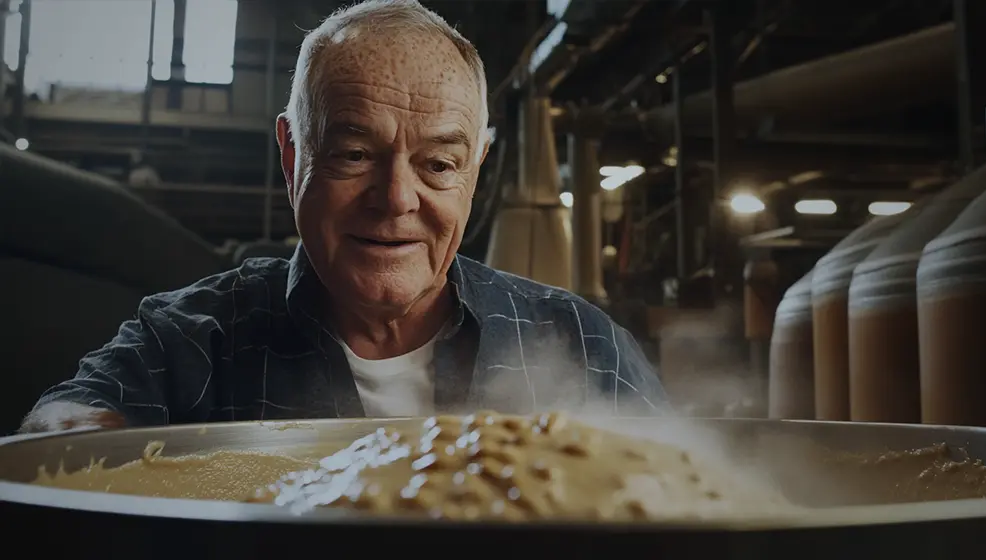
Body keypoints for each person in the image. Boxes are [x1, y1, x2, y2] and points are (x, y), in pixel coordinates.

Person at [20, 0, 667, 433]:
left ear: (478, 167)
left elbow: (695, 495)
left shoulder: (586, 347)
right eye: (354, 154)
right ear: (291, 152)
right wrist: (68, 434)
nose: (395, 198)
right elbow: (60, 438)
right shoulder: (191, 343)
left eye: (439, 165)